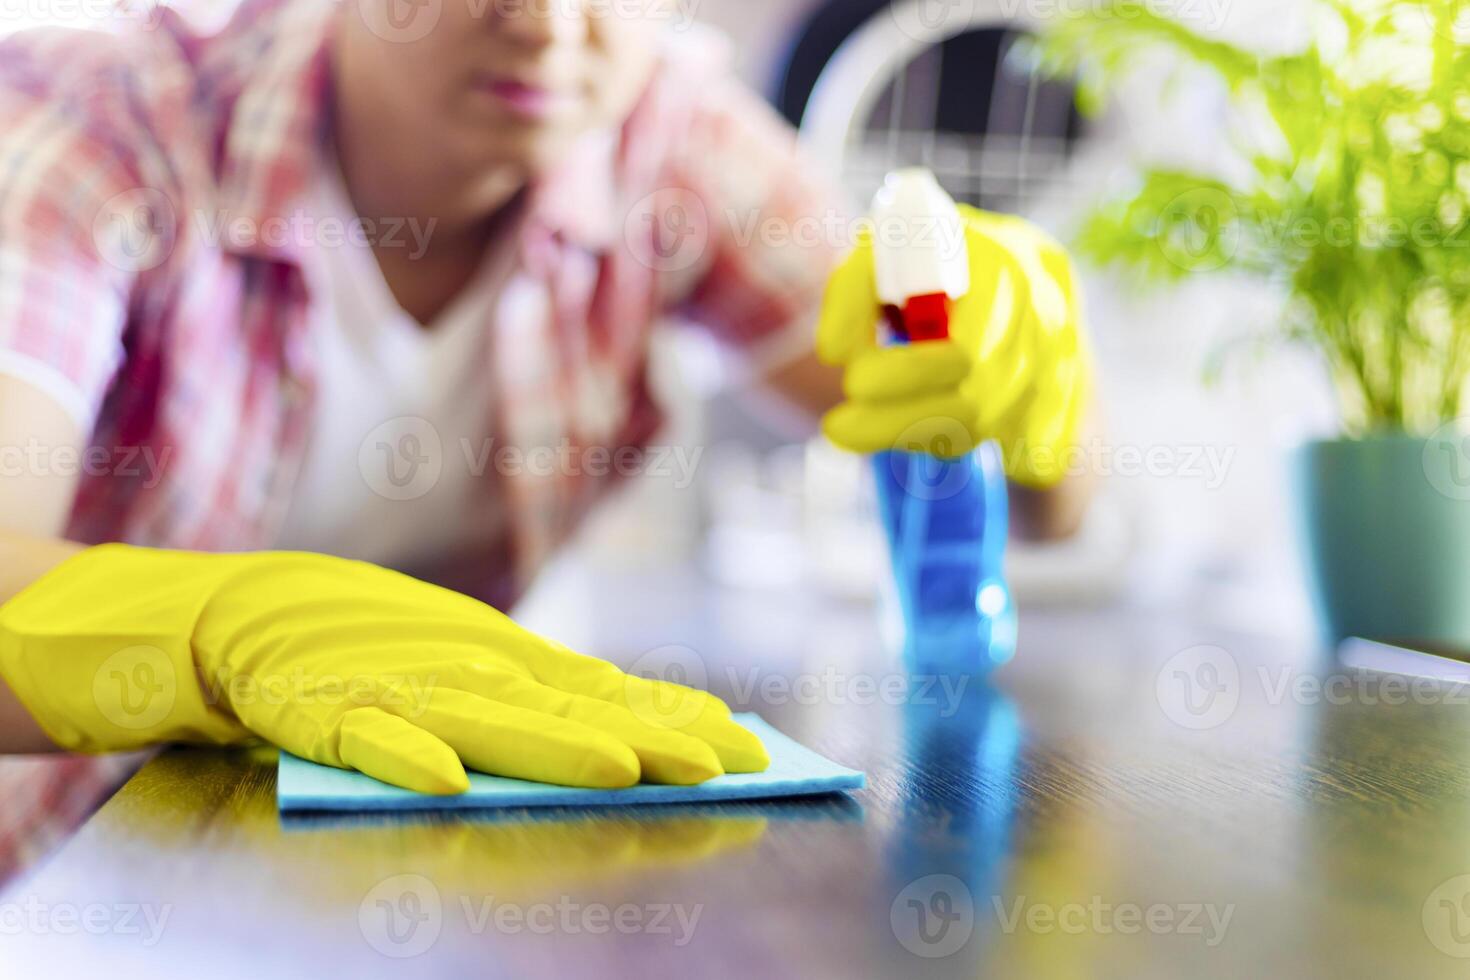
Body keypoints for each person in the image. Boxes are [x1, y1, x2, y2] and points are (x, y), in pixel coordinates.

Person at [0, 0, 1091, 877]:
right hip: (73, 876)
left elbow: (1030, 503)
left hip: (416, 861)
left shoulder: (665, 142)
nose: (547, 21)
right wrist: (218, 629)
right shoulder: (106, 121)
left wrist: (1025, 397)